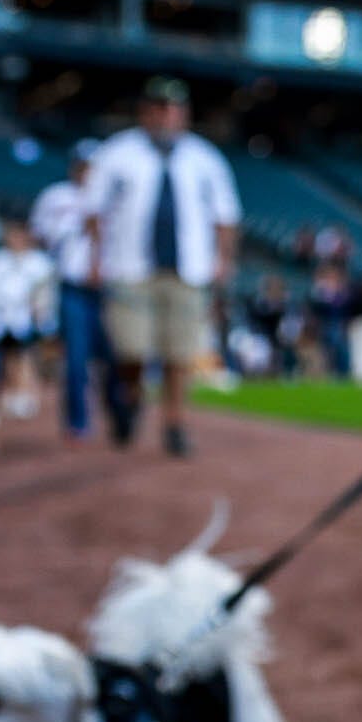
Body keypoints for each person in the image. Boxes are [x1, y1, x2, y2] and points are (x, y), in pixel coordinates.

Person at [80, 77, 239, 458]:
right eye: (159, 108)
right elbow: (93, 212)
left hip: (187, 271)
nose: (167, 116)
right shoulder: (116, 154)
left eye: (174, 109)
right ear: (145, 112)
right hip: (130, 268)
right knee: (131, 350)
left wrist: (223, 259)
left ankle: (175, 424)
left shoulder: (205, 159)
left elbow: (226, 217)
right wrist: (95, 259)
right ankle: (131, 399)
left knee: (179, 354)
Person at [32, 138, 133, 443]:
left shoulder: (117, 198)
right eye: (83, 165)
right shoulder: (56, 196)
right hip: (73, 286)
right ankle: (77, 421)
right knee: (75, 357)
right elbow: (40, 237)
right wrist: (75, 226)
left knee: (117, 356)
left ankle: (118, 414)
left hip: (110, 287)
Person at [0, 219, 55, 420]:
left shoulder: (39, 262)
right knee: (5, 357)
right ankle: (8, 394)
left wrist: (40, 310)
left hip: (27, 318)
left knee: (26, 355)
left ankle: (27, 394)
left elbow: (45, 292)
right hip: (0, 319)